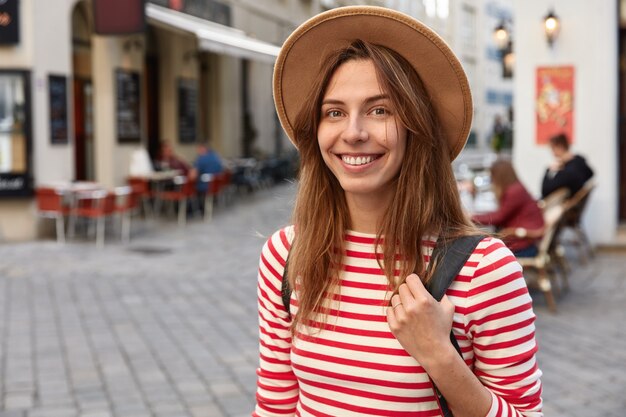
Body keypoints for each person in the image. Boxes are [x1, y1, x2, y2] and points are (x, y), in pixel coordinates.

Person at [255, 6, 542, 417]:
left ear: (415, 129)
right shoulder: (285, 256)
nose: (353, 133)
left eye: (379, 110)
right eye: (334, 112)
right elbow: (274, 408)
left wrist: (440, 358)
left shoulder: (483, 270)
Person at [472, 159, 545, 257]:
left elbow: (499, 217)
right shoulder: (516, 187)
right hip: (526, 240)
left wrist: (472, 218)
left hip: (524, 245)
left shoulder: (514, 192)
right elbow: (501, 215)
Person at [541, 132, 593, 198]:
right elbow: (591, 173)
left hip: (561, 205)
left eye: (552, 149)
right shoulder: (579, 162)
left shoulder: (567, 172)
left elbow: (545, 191)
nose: (552, 152)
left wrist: (549, 171)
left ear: (560, 147)